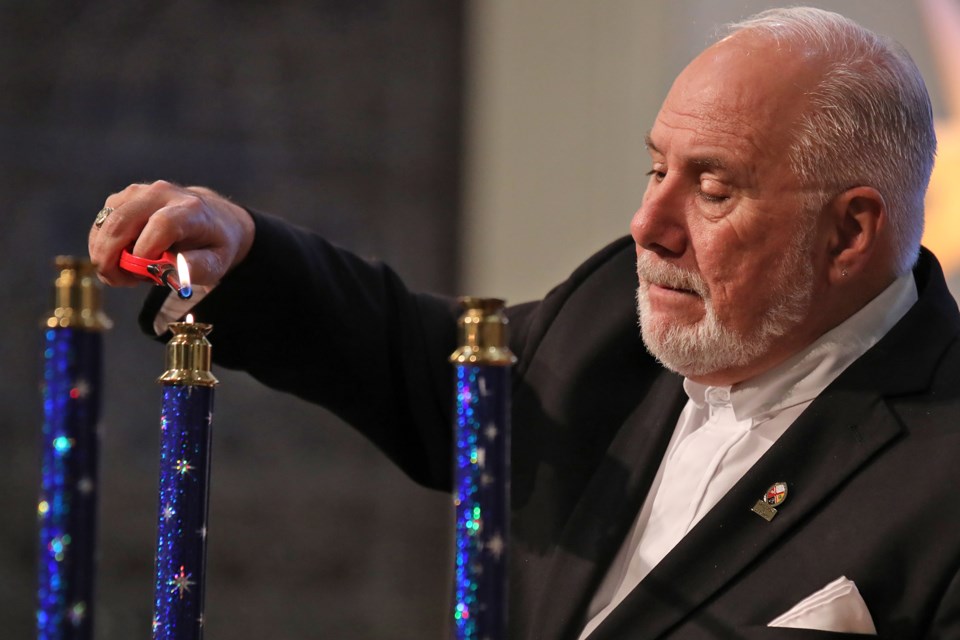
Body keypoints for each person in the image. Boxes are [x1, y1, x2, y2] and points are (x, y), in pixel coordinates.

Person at [88, 7, 960, 639]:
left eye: (713, 188)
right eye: (656, 169)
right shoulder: (611, 321)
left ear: (850, 231)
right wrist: (243, 255)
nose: (649, 227)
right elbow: (422, 364)